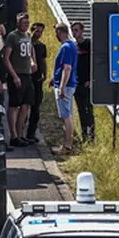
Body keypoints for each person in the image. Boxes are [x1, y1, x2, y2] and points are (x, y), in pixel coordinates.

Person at [3, 13, 37, 147]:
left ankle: (20, 133)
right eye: (23, 23)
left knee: (26, 105)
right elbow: (6, 58)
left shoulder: (28, 36)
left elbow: (31, 50)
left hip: (27, 74)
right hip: (17, 74)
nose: (26, 25)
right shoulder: (13, 36)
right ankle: (13, 136)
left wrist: (33, 61)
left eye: (27, 23)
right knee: (14, 105)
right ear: (18, 23)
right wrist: (14, 76)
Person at [51, 24, 78, 155]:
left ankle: (67, 145)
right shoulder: (72, 46)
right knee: (68, 114)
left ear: (60, 32)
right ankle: (67, 144)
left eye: (56, 32)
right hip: (68, 84)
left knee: (66, 116)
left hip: (65, 86)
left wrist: (61, 87)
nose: (56, 35)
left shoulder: (66, 47)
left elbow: (67, 68)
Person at [71, 22, 94, 140]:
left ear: (82, 31)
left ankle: (91, 135)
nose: (74, 33)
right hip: (77, 83)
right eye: (73, 30)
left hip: (87, 83)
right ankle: (84, 134)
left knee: (88, 109)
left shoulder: (88, 44)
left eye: (76, 30)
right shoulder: (74, 46)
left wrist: (91, 79)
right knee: (80, 109)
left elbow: (93, 63)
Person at [26, 21, 47, 142]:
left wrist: (45, 73)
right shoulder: (27, 44)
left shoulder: (41, 46)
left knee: (36, 107)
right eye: (36, 31)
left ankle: (31, 133)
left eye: (41, 32)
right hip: (28, 77)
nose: (38, 34)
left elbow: (43, 61)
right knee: (25, 105)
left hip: (38, 78)